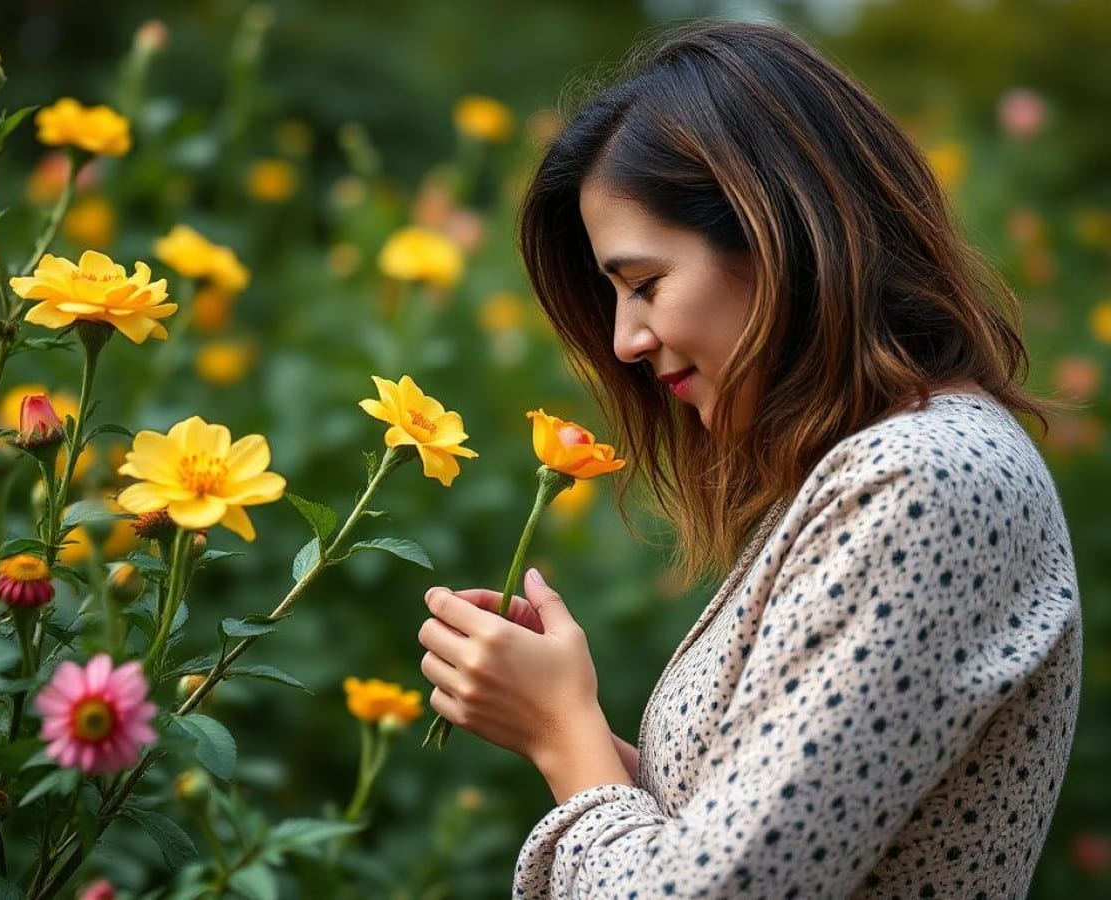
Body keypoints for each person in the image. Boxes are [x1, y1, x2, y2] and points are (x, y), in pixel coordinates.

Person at [416, 20, 1081, 899]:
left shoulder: (924, 482)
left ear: (779, 237)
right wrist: (563, 723)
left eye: (645, 284)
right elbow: (776, 830)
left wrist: (562, 731)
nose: (623, 340)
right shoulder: (892, 465)